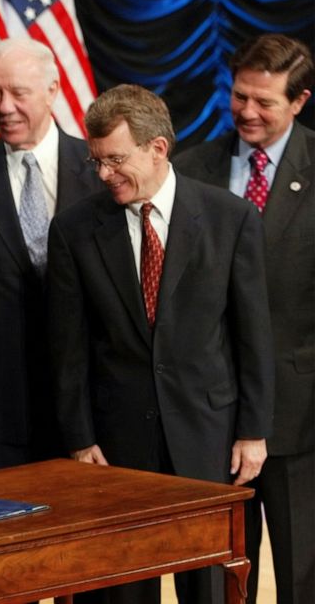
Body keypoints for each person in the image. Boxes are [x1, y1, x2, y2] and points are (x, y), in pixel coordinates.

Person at [48, 84, 274, 604]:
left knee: (211, 587)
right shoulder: (75, 230)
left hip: (209, 436)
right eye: (97, 161)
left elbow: (252, 335)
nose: (104, 175)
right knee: (123, 588)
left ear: (157, 149)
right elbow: (68, 349)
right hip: (117, 445)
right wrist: (80, 439)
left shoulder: (230, 219)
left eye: (116, 160)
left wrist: (253, 432)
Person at [173, 34, 314, 604]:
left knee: (302, 572)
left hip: (297, 415)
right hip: (206, 412)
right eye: (239, 96)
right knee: (214, 574)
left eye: (265, 102)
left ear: (299, 101)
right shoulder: (191, 168)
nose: (247, 112)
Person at [0, 37, 100, 472]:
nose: (4, 106)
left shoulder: (98, 170)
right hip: (2, 404)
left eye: (18, 92)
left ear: (52, 90)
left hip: (93, 403)